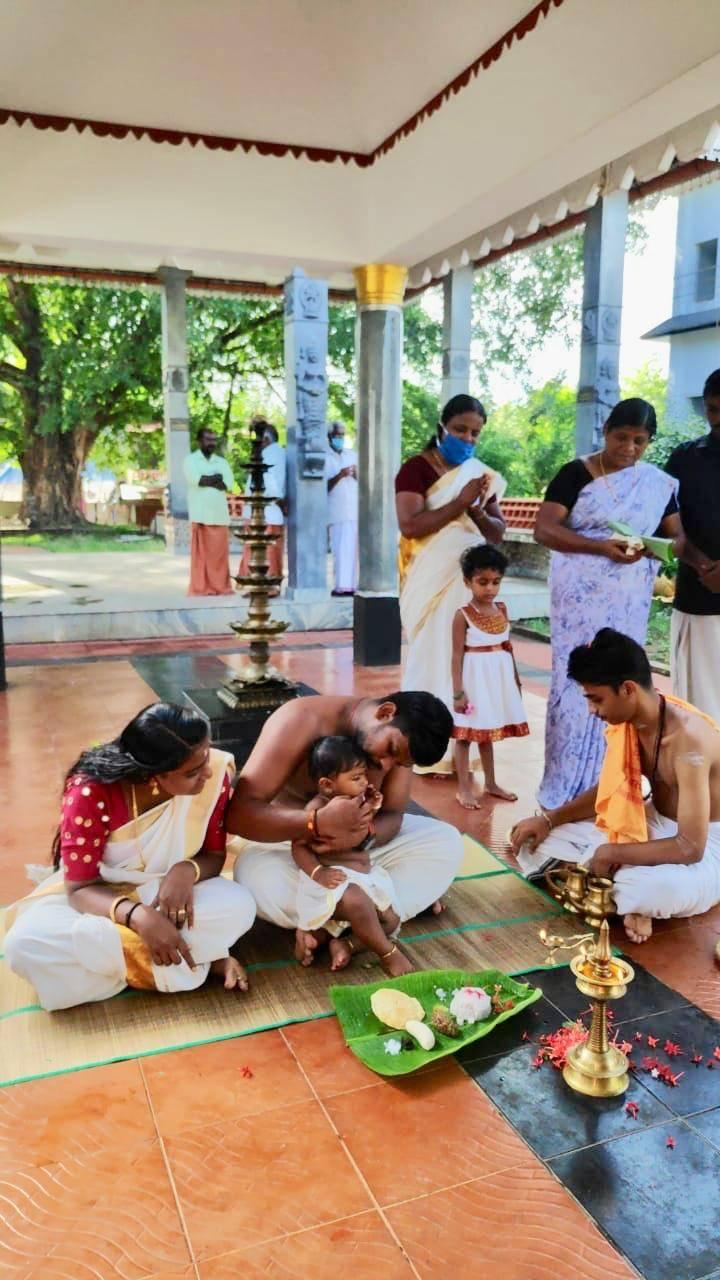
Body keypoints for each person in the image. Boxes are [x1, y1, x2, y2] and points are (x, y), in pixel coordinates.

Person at [4, 704, 256, 1011]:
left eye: (206, 754)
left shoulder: (214, 774)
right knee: (24, 945)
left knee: (239, 905)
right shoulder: (90, 792)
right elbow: (79, 889)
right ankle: (194, 963)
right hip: (99, 898)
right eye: (192, 772)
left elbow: (214, 855)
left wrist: (186, 871)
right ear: (154, 775)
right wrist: (138, 918)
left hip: (165, 895)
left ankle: (123, 965)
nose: (207, 771)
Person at [509, 629, 720, 944]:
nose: (592, 711)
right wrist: (549, 819)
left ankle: (625, 894)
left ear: (628, 689)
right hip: (651, 822)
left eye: (596, 699)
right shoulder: (633, 723)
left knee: (650, 888)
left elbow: (690, 846)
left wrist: (611, 852)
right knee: (533, 840)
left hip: (705, 841)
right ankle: (619, 899)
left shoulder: (689, 741)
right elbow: (610, 790)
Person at [227, 691, 464, 966]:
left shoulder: (400, 746)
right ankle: (374, 915)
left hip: (360, 851)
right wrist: (316, 822)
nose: (385, 765)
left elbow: (393, 814)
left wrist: (362, 835)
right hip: (295, 848)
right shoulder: (300, 720)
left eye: (398, 763)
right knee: (253, 875)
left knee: (446, 842)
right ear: (385, 712)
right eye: (390, 750)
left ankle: (330, 927)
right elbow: (239, 815)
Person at [533, 398, 679, 808]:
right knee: (575, 681)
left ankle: (611, 785)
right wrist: (601, 547)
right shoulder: (575, 473)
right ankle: (564, 787)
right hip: (579, 599)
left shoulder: (656, 484)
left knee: (620, 682)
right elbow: (544, 529)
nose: (629, 448)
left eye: (640, 441)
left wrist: (659, 549)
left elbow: (676, 537)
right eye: (621, 437)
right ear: (605, 432)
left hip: (628, 601)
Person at [395, 394, 506, 774]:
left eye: (476, 432)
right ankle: (423, 748)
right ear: (443, 426)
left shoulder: (479, 475)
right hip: (430, 584)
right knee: (431, 658)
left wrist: (476, 508)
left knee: (464, 663)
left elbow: (495, 533)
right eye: (461, 430)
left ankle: (460, 749)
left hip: (467, 586)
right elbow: (410, 525)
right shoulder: (416, 469)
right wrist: (459, 502)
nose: (469, 439)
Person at [292, 735, 408, 975]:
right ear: (327, 785)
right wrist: (318, 872)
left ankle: (342, 942)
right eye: (356, 778)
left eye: (364, 775)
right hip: (334, 881)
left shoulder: (358, 801)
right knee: (358, 901)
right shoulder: (317, 810)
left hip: (363, 875)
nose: (365, 782)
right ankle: (388, 954)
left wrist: (372, 807)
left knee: (391, 920)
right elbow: (298, 846)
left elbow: (365, 836)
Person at [451, 545, 528, 808]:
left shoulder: (502, 609)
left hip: (497, 680)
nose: (490, 589)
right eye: (482, 582)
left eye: (496, 582)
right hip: (474, 682)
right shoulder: (462, 616)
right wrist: (458, 692)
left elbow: (508, 648)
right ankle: (462, 788)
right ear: (467, 582)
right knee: (464, 736)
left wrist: (515, 681)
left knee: (487, 732)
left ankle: (491, 783)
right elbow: (456, 656)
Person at [666, 368, 720, 723]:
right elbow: (670, 527)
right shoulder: (684, 459)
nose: (719, 420)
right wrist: (703, 565)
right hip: (699, 600)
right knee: (699, 712)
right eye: (713, 409)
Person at [184, 428, 235, 596]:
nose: (211, 443)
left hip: (219, 515)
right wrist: (215, 478)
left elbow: (227, 484)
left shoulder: (222, 462)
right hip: (200, 515)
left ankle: (221, 587)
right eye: (208, 439)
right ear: (199, 441)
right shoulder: (190, 460)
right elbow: (197, 480)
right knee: (201, 558)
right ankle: (201, 588)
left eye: (213, 440)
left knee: (219, 557)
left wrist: (209, 479)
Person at [239, 421, 287, 592]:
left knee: (261, 550)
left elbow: (270, 481)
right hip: (269, 512)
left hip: (265, 511)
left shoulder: (270, 454)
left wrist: (279, 500)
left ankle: (263, 587)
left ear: (265, 438)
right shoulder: (277, 452)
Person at [325, 421, 358, 596]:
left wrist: (356, 474)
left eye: (342, 436)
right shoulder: (324, 458)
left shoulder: (352, 455)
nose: (340, 439)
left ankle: (353, 585)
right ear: (329, 437)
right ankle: (341, 586)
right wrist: (341, 474)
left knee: (353, 551)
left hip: (354, 510)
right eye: (337, 436)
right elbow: (323, 487)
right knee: (340, 550)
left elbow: (364, 480)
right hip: (337, 512)